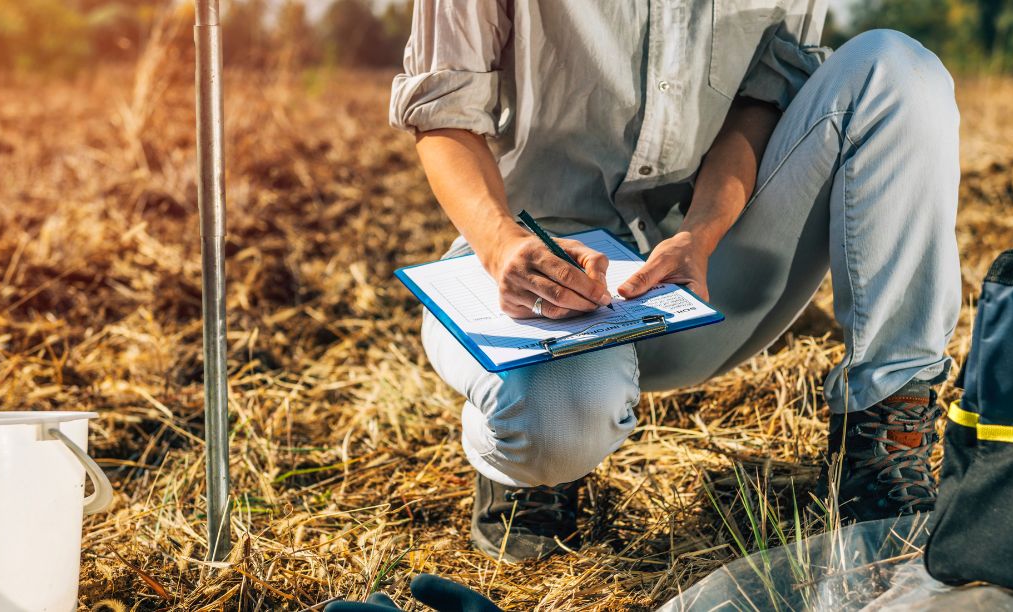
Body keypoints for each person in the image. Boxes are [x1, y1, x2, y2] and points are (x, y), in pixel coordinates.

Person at [389, 0, 960, 563]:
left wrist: (702, 232)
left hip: (703, 268)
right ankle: (522, 467)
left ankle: (885, 435)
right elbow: (442, 113)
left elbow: (764, 98)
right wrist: (502, 243)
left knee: (897, 68)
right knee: (551, 433)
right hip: (534, 264)